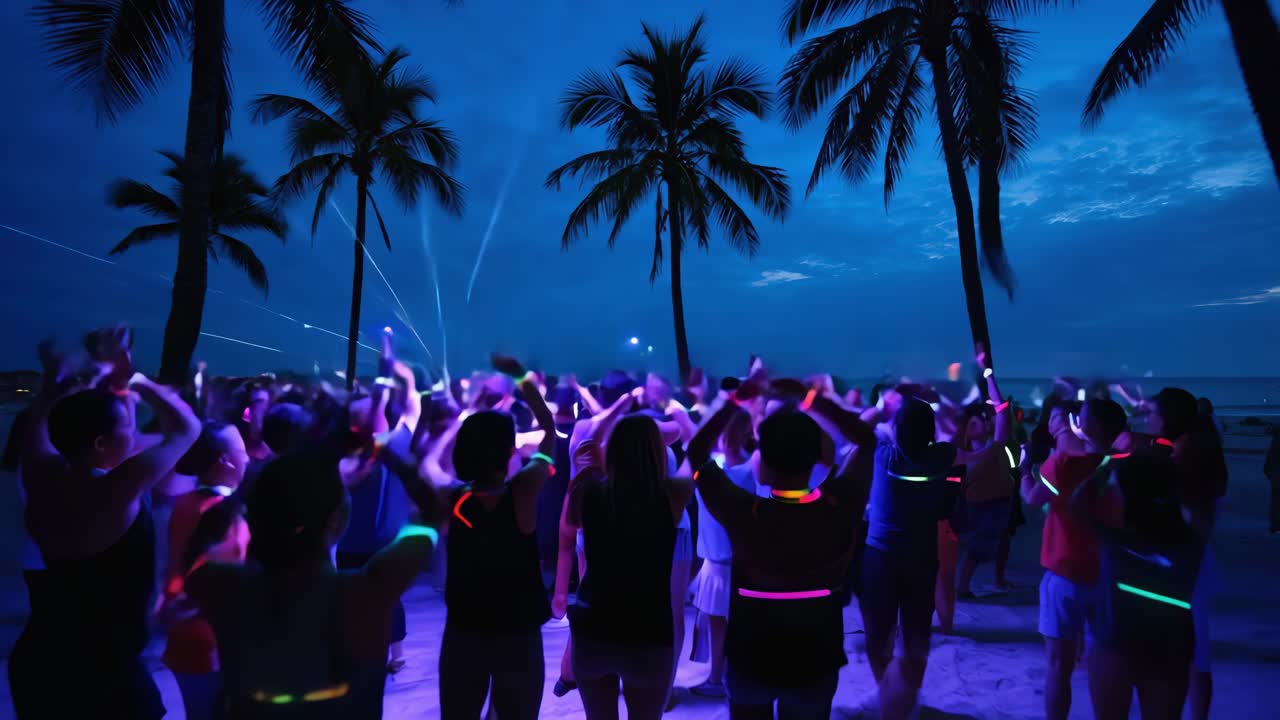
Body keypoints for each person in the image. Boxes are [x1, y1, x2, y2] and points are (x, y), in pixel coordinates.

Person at [11, 330, 202, 719]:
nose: (133, 433)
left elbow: (40, 424)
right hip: (101, 674)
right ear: (100, 443)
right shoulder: (114, 492)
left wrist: (52, 386)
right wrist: (135, 378)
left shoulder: (41, 475)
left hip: (39, 662)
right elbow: (187, 429)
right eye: (124, 428)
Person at [186, 446, 442, 719]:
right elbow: (431, 517)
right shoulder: (365, 591)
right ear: (334, 519)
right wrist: (394, 457)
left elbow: (194, 554)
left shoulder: (219, 585)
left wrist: (252, 497)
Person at [689, 379, 872, 719]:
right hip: (816, 659)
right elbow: (866, 440)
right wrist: (811, 398)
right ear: (818, 454)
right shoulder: (839, 507)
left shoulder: (744, 512)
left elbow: (697, 451)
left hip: (750, 658)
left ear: (763, 461)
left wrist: (735, 402)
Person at [436, 355, 556, 720]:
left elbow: (432, 462)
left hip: (464, 630)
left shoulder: (452, 498)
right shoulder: (523, 491)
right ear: (508, 452)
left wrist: (462, 420)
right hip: (517, 632)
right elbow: (550, 430)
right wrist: (520, 376)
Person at [560, 412, 694, 720]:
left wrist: (593, 462)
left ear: (614, 450)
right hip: (647, 631)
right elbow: (696, 449)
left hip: (594, 627)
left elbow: (569, 524)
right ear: (658, 452)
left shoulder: (591, 492)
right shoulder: (670, 497)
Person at [1072, 454, 1204, 720]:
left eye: (1115, 489)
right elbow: (1194, 503)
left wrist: (1105, 467)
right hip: (1171, 649)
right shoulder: (1190, 541)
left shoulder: (1114, 539)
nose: (1111, 494)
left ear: (1132, 497)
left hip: (1115, 646)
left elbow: (1078, 505)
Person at [1020, 398, 1128, 720]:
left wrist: (1025, 470)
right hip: (1109, 575)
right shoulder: (1121, 463)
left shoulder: (1064, 464)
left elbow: (1032, 497)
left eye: (1078, 417)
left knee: (1058, 665)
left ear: (1088, 425)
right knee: (1108, 660)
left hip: (1065, 571)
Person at [859, 397, 960, 720]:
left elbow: (861, 427)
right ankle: (907, 700)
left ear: (898, 430)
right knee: (916, 633)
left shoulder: (884, 456)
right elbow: (950, 432)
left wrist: (879, 405)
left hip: (881, 557)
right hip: (921, 557)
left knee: (878, 634)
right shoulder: (942, 458)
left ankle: (889, 693)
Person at [161, 421, 252, 720]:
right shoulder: (224, 514)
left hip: (186, 641)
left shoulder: (186, 503)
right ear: (225, 460)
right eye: (241, 451)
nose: (248, 457)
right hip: (214, 646)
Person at [1149, 388, 1227, 720]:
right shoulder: (1199, 449)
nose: (1146, 418)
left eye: (1152, 413)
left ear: (1168, 419)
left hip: (1184, 567)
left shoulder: (1188, 454)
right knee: (1193, 653)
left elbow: (1193, 520)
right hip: (1191, 564)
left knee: (1187, 653)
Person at [688, 405, 753, 699]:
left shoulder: (715, 468)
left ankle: (718, 677)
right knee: (730, 623)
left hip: (723, 561)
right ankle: (725, 676)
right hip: (729, 560)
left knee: (719, 624)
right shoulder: (751, 468)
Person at [954, 349, 1015, 599]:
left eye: (980, 420)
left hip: (1001, 503)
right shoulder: (961, 453)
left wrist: (988, 374)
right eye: (973, 422)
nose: (978, 421)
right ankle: (962, 588)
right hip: (979, 507)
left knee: (990, 546)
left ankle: (966, 586)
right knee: (977, 550)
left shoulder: (996, 444)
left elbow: (1001, 410)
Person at [1266, 424, 1280, 534]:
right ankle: (1275, 524)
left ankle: (1275, 525)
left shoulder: (1277, 438)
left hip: (1276, 469)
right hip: (1276, 469)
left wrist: (1267, 469)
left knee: (1275, 499)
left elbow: (1271, 454)